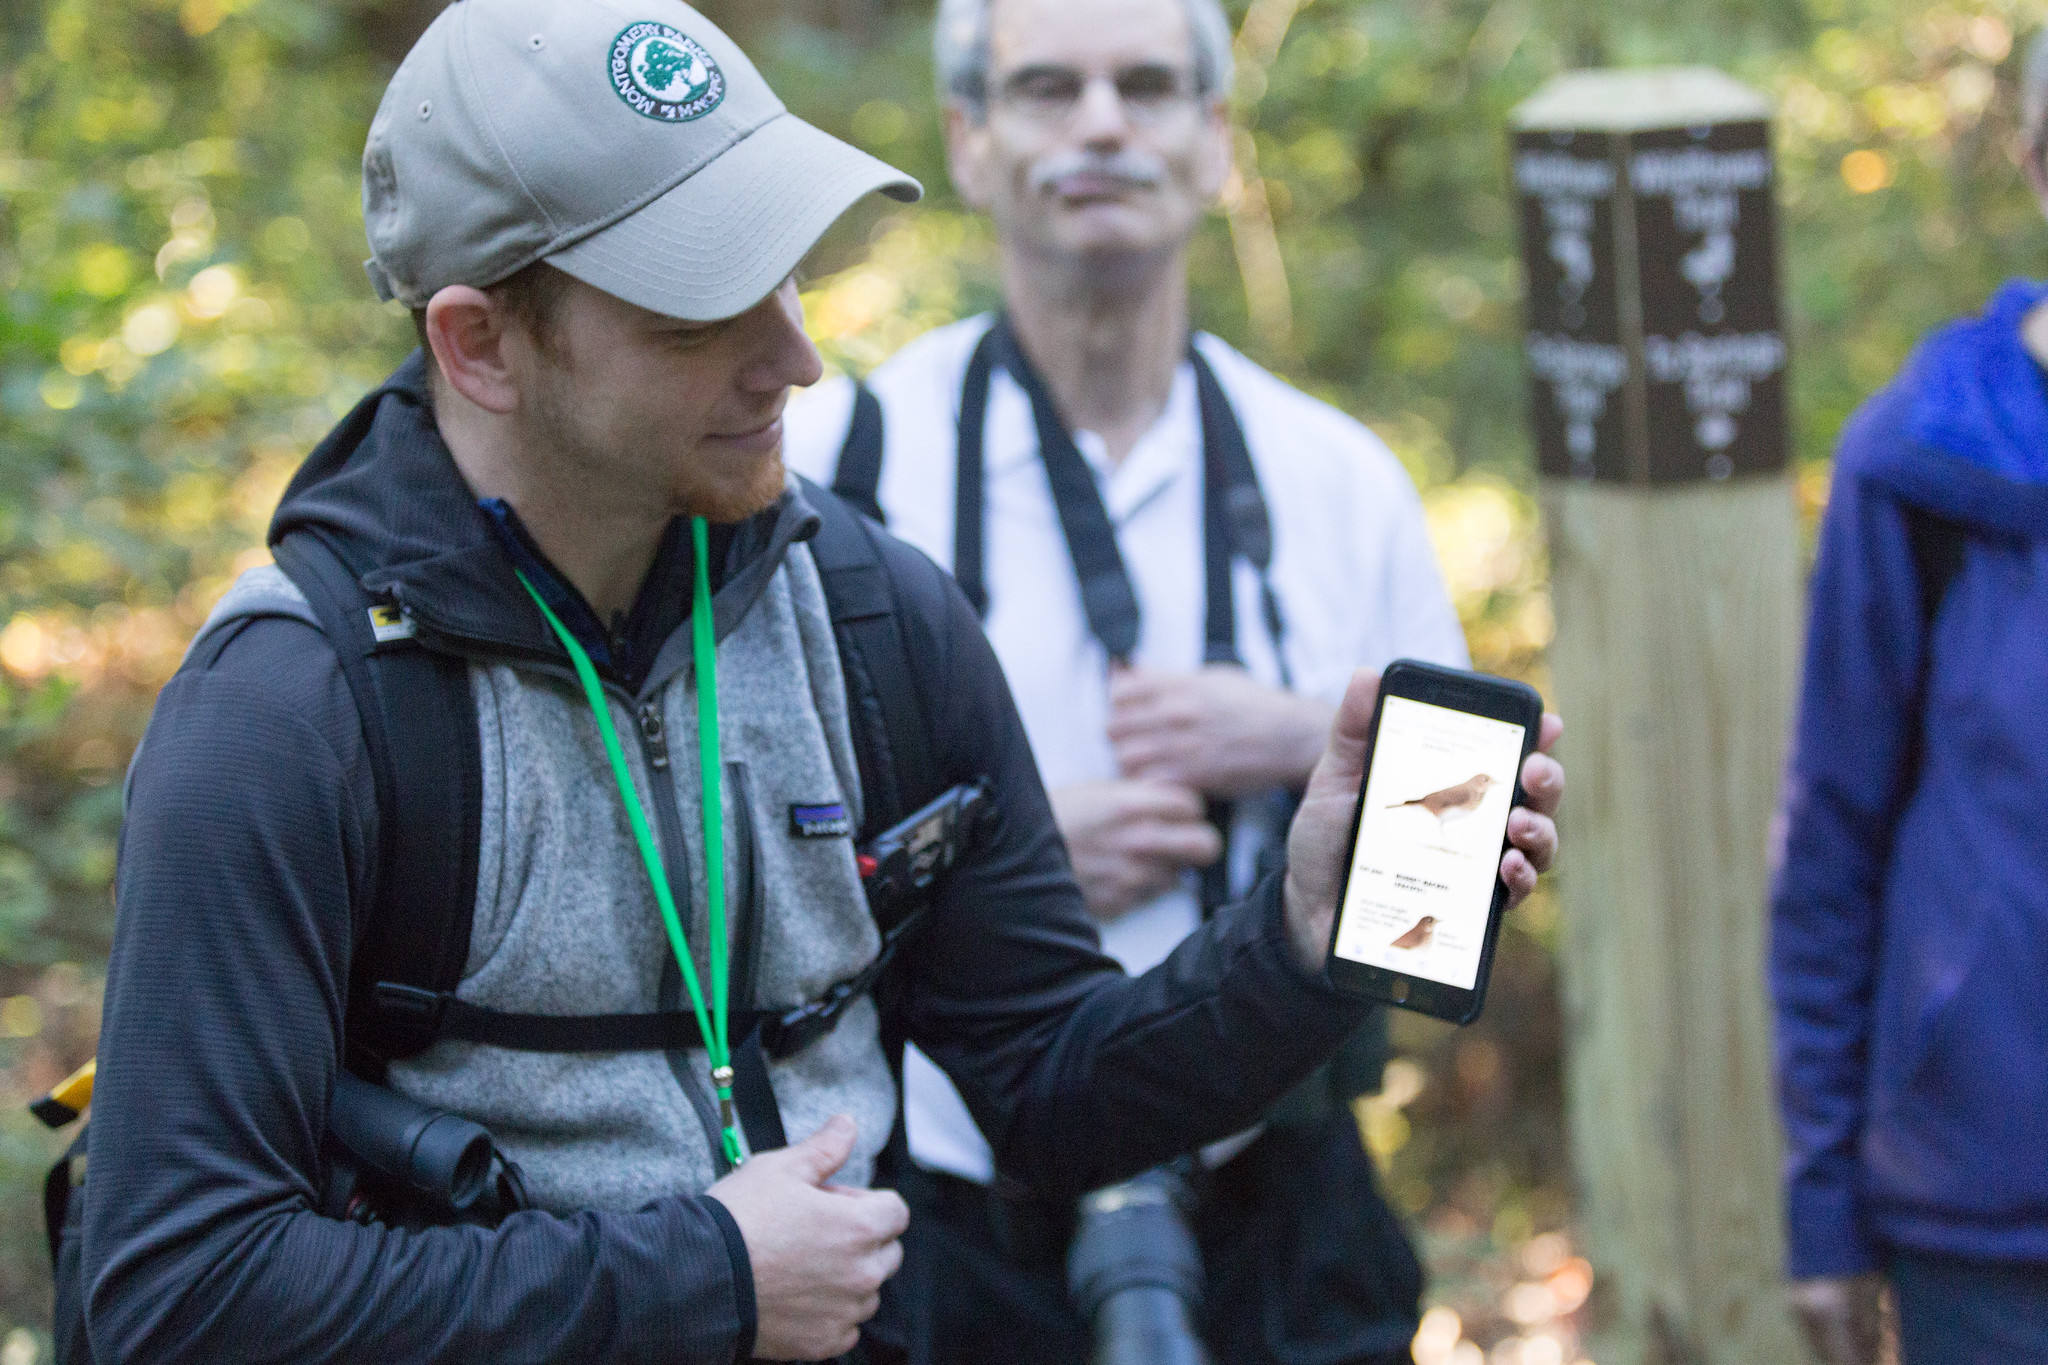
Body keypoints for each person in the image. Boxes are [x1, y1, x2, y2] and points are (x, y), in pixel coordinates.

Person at [80, 2, 1565, 1363]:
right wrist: (705, 1276)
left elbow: (1051, 1085)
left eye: (787, 268)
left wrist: (1298, 937)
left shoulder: (867, 613)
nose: (793, 354)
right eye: (695, 306)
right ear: (480, 345)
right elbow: (177, 1287)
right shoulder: (289, 713)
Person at [780, 0, 1477, 1359]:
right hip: (939, 1215)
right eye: (1049, 87)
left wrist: (1300, 740)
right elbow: (706, 870)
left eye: (1147, 86)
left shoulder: (1335, 477)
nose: (1102, 122)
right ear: (970, 142)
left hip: (1282, 1199)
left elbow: (1445, 909)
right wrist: (986, 888)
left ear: (1216, 139)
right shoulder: (835, 460)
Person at [1770, 30, 2048, 1365]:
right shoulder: (1927, 459)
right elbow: (1831, 840)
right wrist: (1822, 1203)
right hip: (1987, 1213)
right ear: (2040, 166)